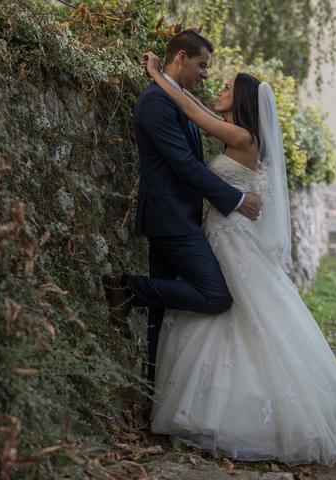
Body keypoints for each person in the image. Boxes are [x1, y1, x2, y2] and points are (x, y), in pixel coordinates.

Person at [140, 51, 336, 466]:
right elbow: (196, 105)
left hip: (231, 237)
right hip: (225, 231)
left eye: (226, 87)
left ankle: (229, 412)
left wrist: (156, 74)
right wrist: (174, 81)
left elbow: (190, 109)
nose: (219, 89)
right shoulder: (239, 134)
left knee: (234, 308)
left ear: (241, 99)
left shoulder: (242, 138)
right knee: (231, 310)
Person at [104, 30, 263, 391]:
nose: (206, 74)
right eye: (202, 65)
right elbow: (184, 164)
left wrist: (159, 74)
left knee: (164, 313)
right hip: (169, 217)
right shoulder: (156, 103)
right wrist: (237, 200)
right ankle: (127, 288)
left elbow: (193, 116)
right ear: (180, 57)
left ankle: (152, 392)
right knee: (216, 295)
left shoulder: (175, 99)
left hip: (180, 215)